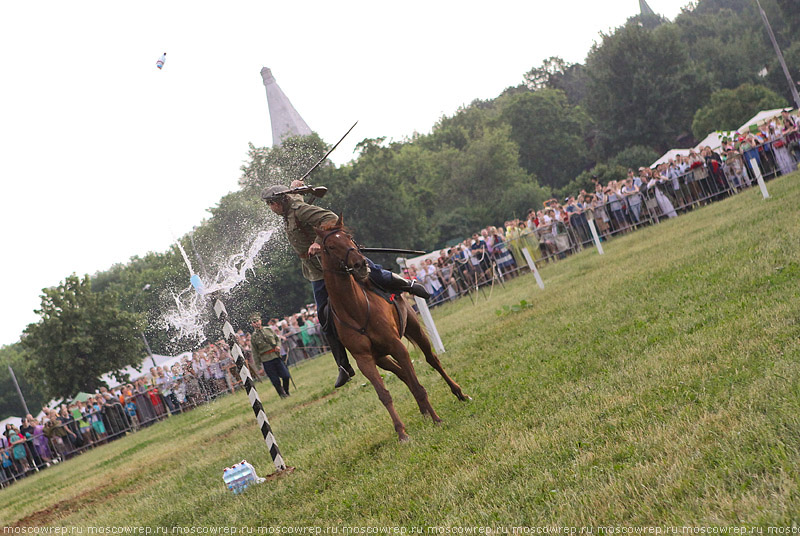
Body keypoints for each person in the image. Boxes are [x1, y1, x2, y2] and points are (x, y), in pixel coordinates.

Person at [261, 181, 430, 388]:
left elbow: (329, 218)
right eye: (269, 204)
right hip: (316, 271)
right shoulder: (290, 207)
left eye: (271, 203)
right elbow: (296, 197)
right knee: (324, 316)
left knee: (373, 273)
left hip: (334, 260)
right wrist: (296, 186)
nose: (271, 208)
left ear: (280, 201)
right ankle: (343, 366)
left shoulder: (299, 209)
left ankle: (407, 284)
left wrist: (317, 241)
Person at [250, 313, 291, 398]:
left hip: (276, 356)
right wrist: (259, 368)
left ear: (260, 321)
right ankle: (282, 395)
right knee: (275, 380)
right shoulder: (253, 337)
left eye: (257, 321)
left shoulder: (269, 329)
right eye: (254, 322)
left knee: (286, 375)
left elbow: (277, 339)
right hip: (266, 360)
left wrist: (278, 346)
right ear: (252, 324)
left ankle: (286, 391)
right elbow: (255, 353)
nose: (256, 323)